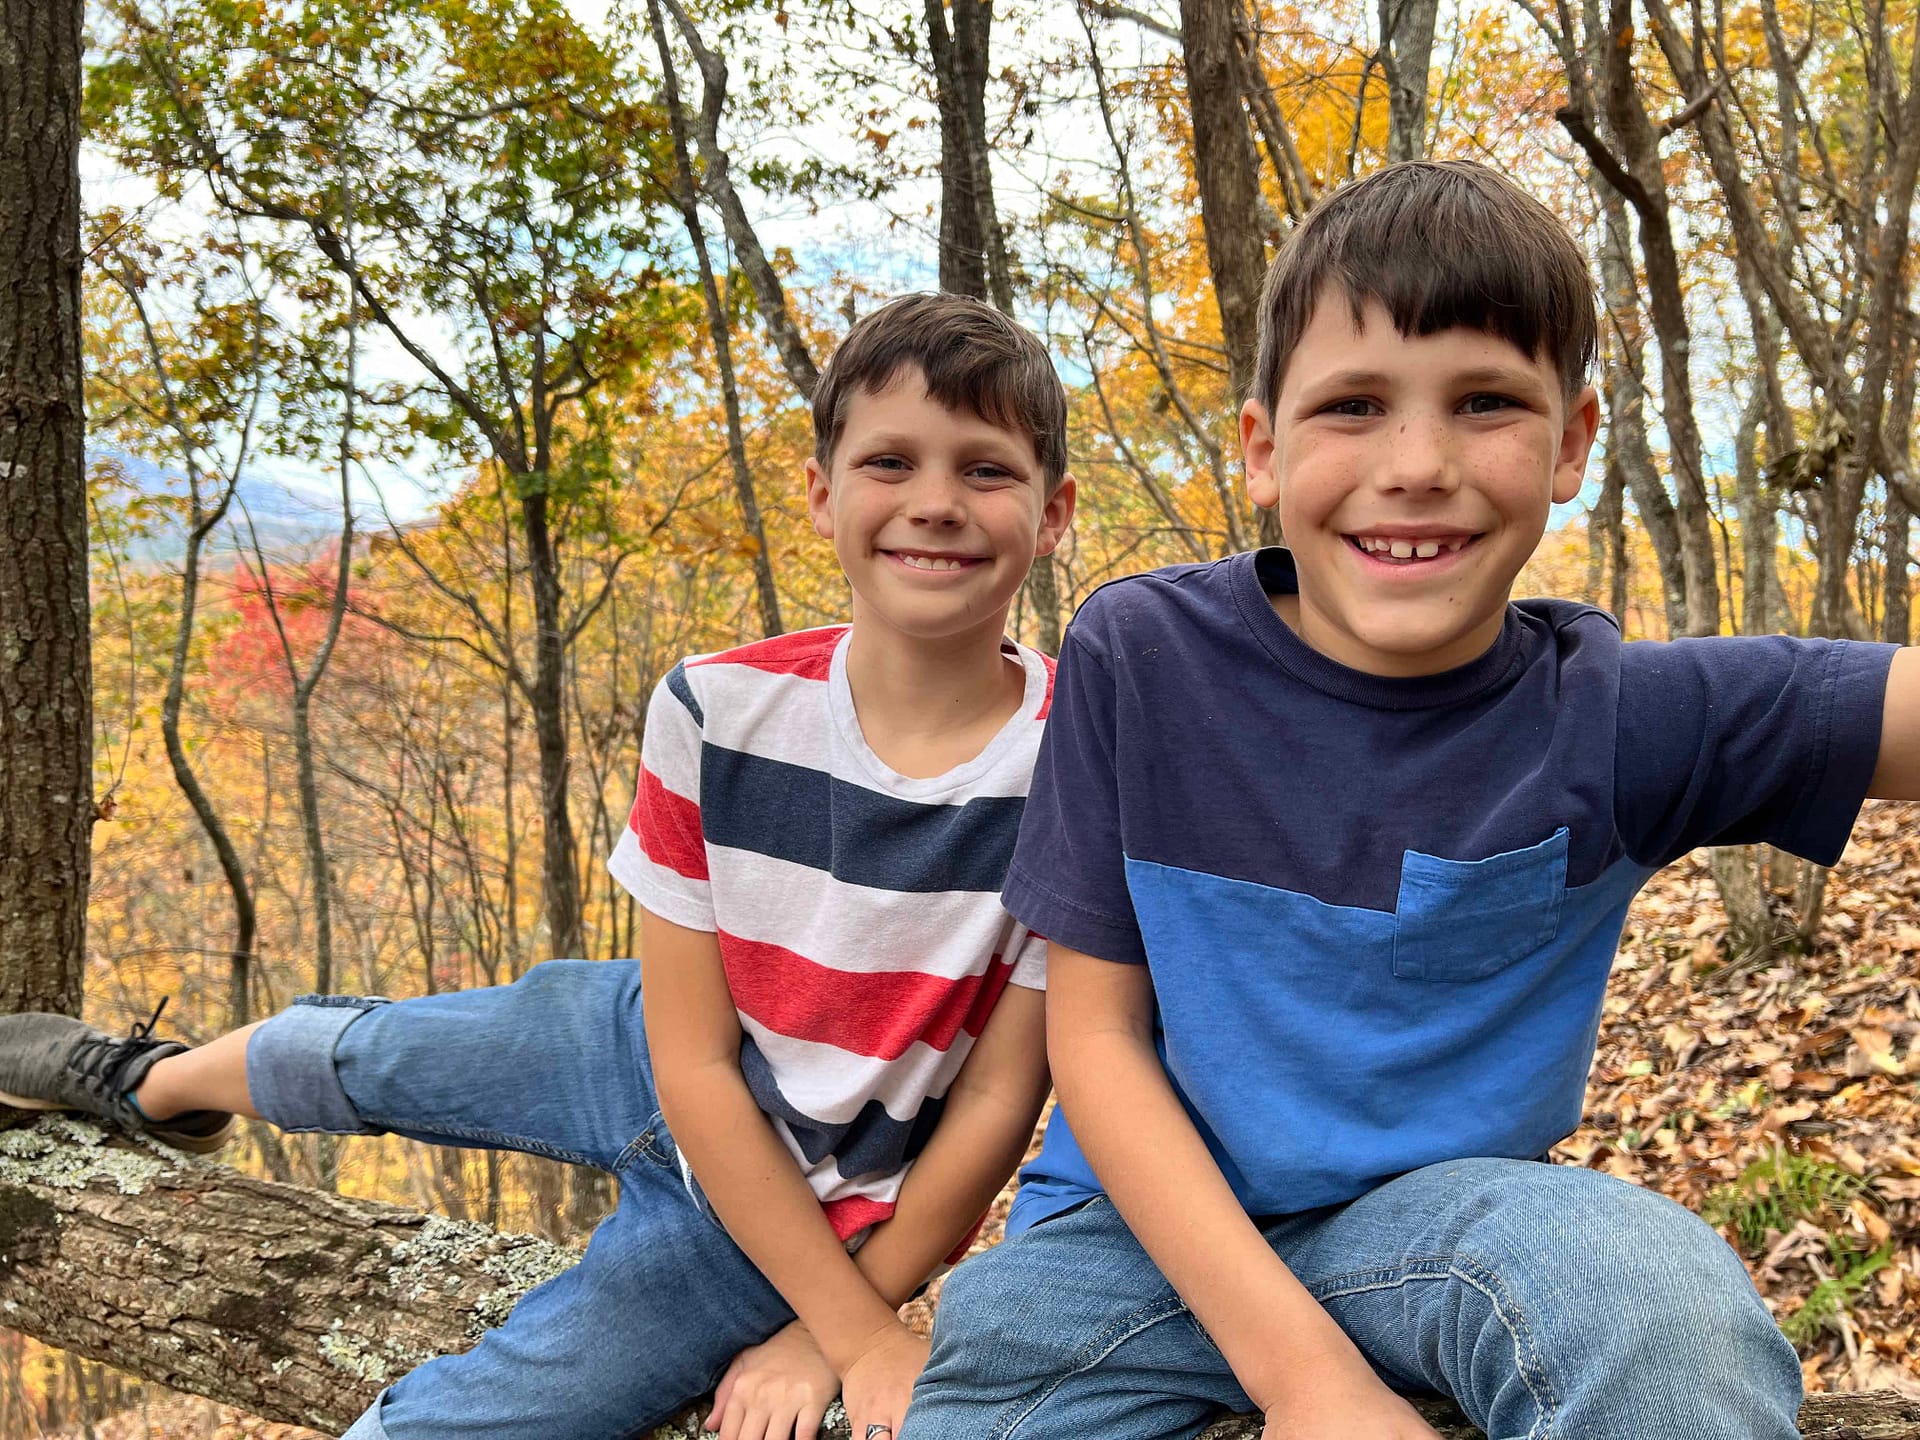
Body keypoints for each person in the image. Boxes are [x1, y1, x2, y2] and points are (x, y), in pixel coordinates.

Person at [902, 160, 1920, 1440]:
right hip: (1144, 1245)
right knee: (992, 1355)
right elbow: (1091, 1037)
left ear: (1571, 444)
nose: (1420, 463)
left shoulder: (1614, 715)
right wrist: (1308, 1384)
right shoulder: (1146, 658)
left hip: (1460, 1231)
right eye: (1356, 406)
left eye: (1486, 401)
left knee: (1659, 1311)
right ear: (1266, 451)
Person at [0, 292, 1077, 1440]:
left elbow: (1003, 1098)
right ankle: (152, 1087)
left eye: (986, 471)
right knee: (379, 1049)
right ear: (821, 494)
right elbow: (691, 1060)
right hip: (659, 1040)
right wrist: (861, 1337)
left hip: (796, 1206)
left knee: (482, 1418)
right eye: (890, 460)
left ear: (1053, 511)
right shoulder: (717, 710)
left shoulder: (1075, 763)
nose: (934, 504)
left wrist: (841, 1331)